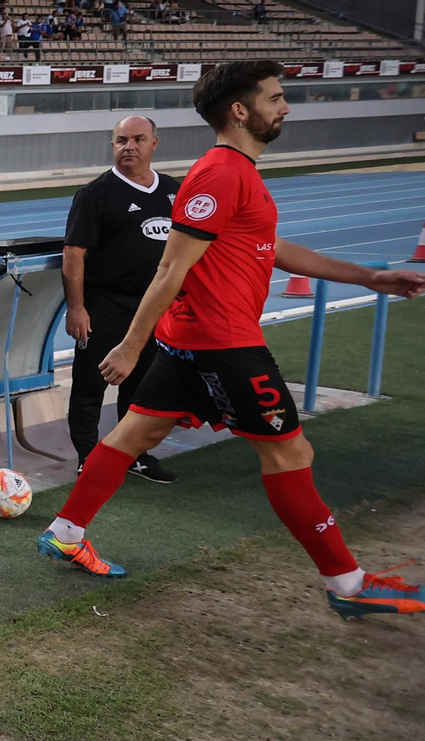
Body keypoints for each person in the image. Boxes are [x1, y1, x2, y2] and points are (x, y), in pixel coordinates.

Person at [38, 61, 425, 618]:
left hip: (192, 340)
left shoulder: (235, 173)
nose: (285, 107)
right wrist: (129, 345)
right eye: (275, 97)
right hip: (224, 343)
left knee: (132, 435)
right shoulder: (221, 174)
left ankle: (67, 531)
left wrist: (369, 277)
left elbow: (272, 247)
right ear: (241, 111)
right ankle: (348, 583)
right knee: (290, 452)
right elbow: (170, 269)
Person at [62, 116, 181, 483]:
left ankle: (133, 454)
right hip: (105, 305)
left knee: (143, 386)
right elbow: (73, 254)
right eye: (121, 140)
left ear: (154, 143)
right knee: (90, 385)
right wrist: (76, 308)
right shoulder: (95, 193)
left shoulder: (174, 190)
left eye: (138, 139)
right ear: (112, 145)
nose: (129, 146)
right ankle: (88, 456)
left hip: (153, 307)